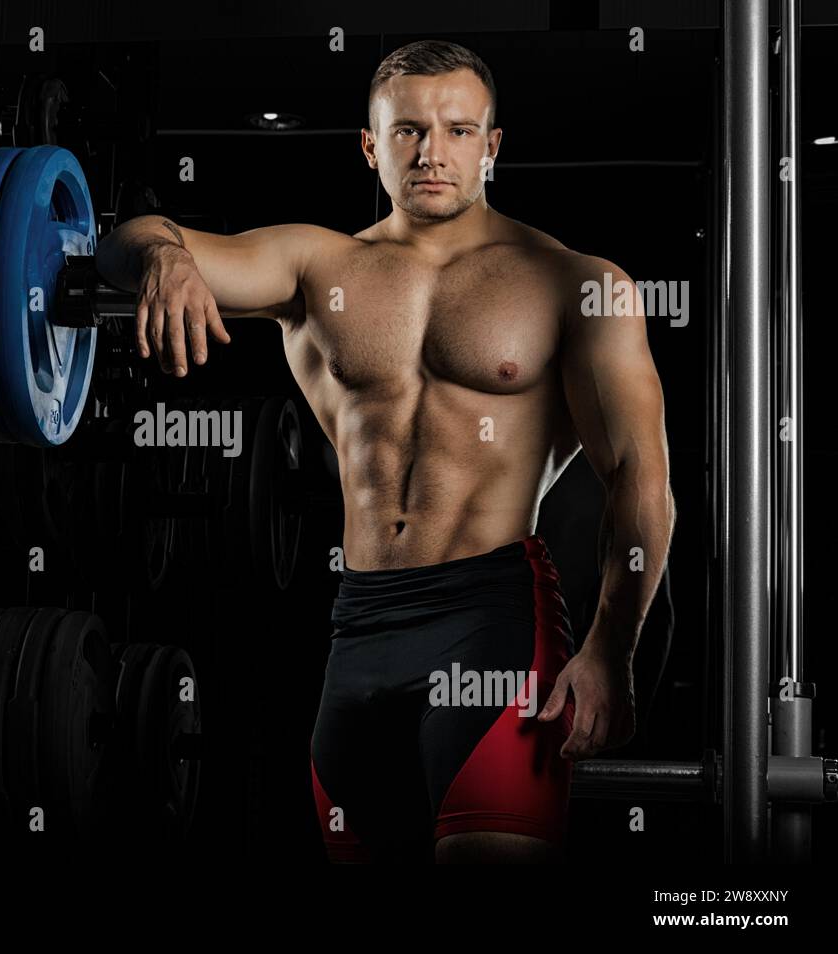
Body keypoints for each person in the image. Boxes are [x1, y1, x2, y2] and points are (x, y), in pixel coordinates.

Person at [95, 39, 676, 863]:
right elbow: (129, 240)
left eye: (457, 130)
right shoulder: (314, 264)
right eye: (406, 131)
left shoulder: (575, 282)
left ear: (492, 145)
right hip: (358, 631)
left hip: (494, 621)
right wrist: (165, 260)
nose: (431, 151)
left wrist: (611, 650)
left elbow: (640, 481)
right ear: (370, 145)